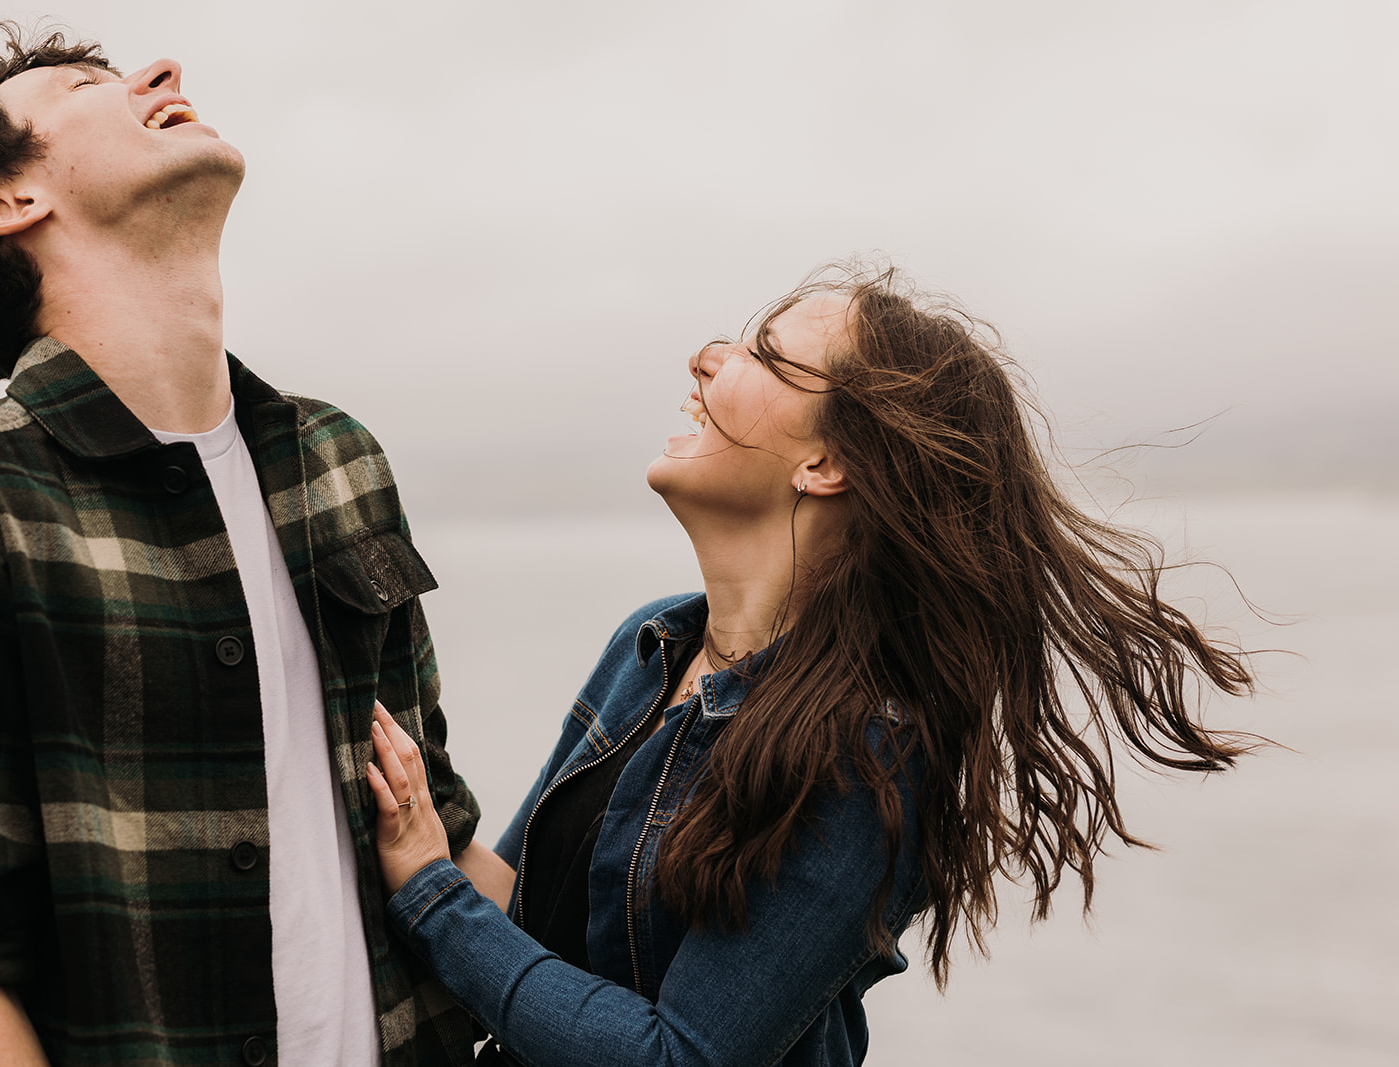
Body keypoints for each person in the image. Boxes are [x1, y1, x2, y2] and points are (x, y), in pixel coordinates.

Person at [363, 268, 1258, 1065]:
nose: (705, 360)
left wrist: (434, 898)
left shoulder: (870, 754)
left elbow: (680, 1055)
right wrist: (376, 775)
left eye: (762, 352)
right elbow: (515, 909)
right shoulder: (650, 645)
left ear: (826, 461)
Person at [0, 22, 513, 1067]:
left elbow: (444, 830)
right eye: (84, 87)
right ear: (10, 199)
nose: (163, 74)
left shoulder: (338, 458)